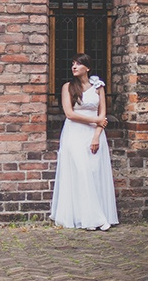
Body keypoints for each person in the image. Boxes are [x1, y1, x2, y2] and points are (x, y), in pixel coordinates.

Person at [50, 53, 118, 231]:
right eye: (73, 63)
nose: (74, 66)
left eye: (78, 64)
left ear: (87, 68)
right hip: (74, 133)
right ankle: (95, 219)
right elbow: (69, 114)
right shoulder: (67, 87)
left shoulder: (98, 87)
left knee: (94, 173)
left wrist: (96, 135)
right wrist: (95, 120)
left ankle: (88, 216)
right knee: (82, 171)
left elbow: (102, 114)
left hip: (94, 134)